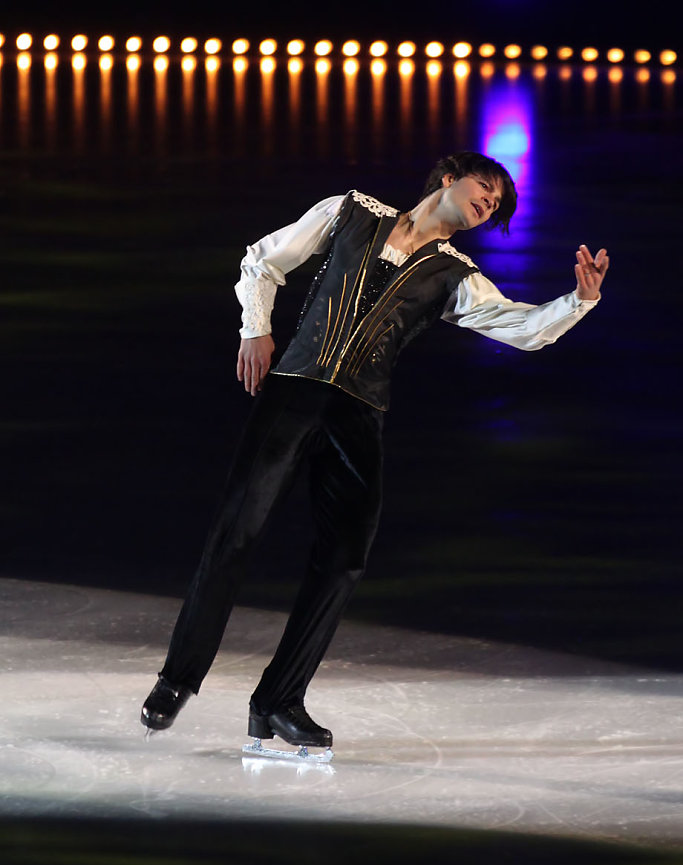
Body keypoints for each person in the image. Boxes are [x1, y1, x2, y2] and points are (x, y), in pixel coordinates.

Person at [140, 152, 609, 750]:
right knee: (236, 533)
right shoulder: (349, 212)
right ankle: (176, 680)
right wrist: (255, 328)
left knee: (344, 556)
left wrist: (579, 301)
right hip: (295, 393)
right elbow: (263, 259)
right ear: (448, 177)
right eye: (485, 190)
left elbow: (520, 327)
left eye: (495, 207)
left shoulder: (453, 275)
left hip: (358, 415)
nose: (488, 205)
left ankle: (278, 702)